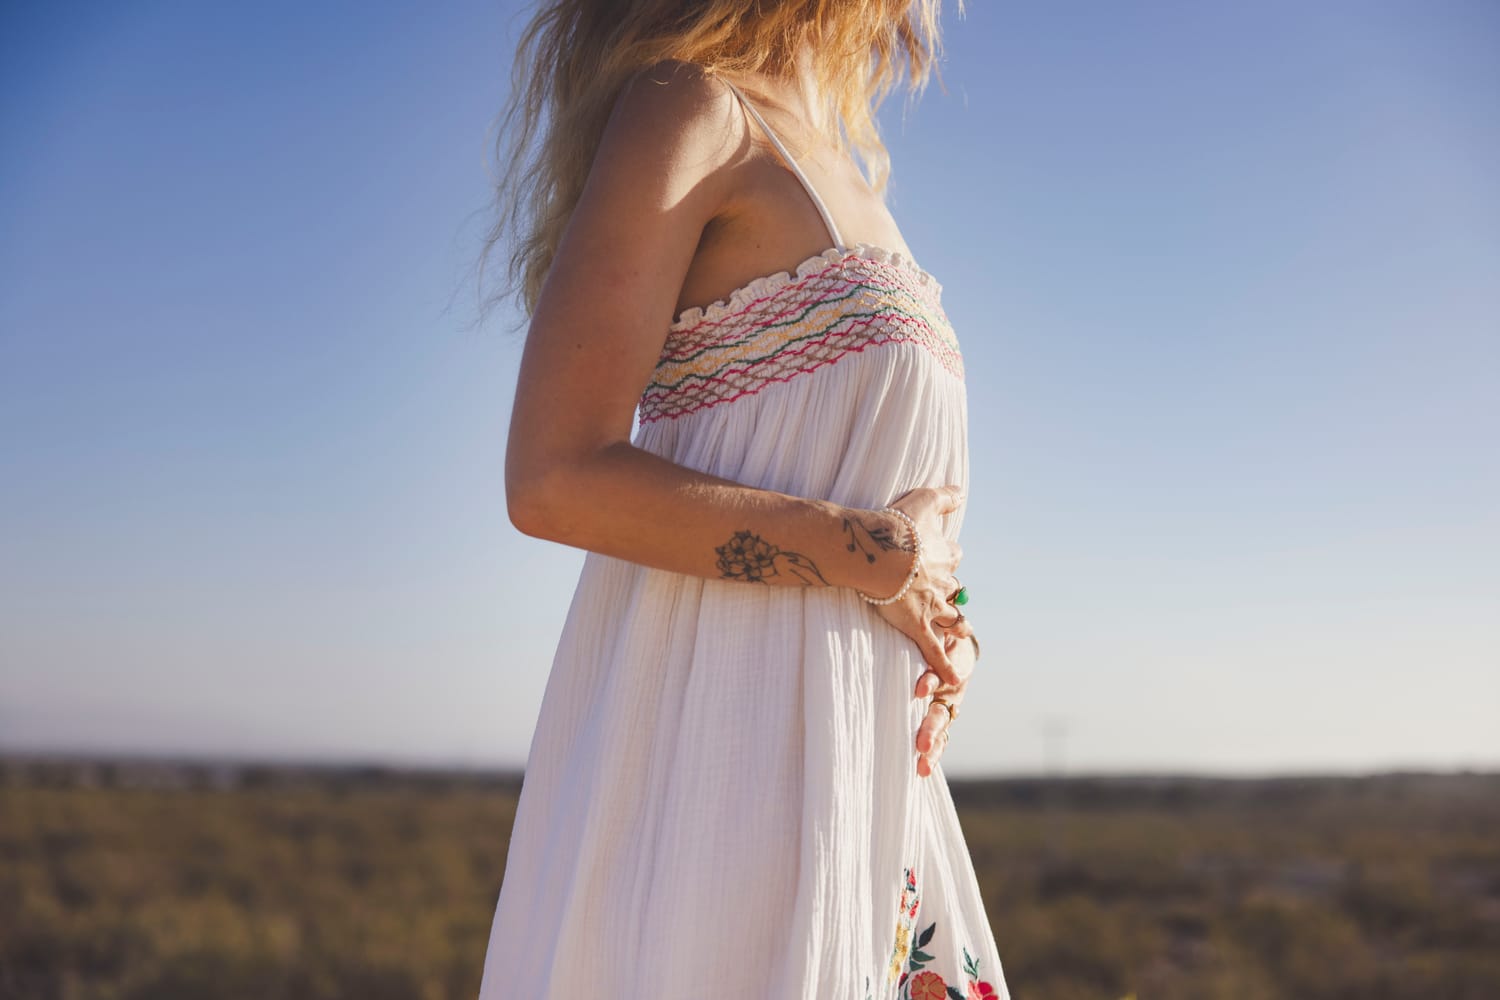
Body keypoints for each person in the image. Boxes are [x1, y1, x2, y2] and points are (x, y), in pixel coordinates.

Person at [475, 2, 1011, 997]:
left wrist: (944, 629)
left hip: (866, 784)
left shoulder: (853, 176)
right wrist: (880, 558)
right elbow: (553, 477)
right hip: (724, 767)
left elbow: (882, 508)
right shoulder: (693, 110)